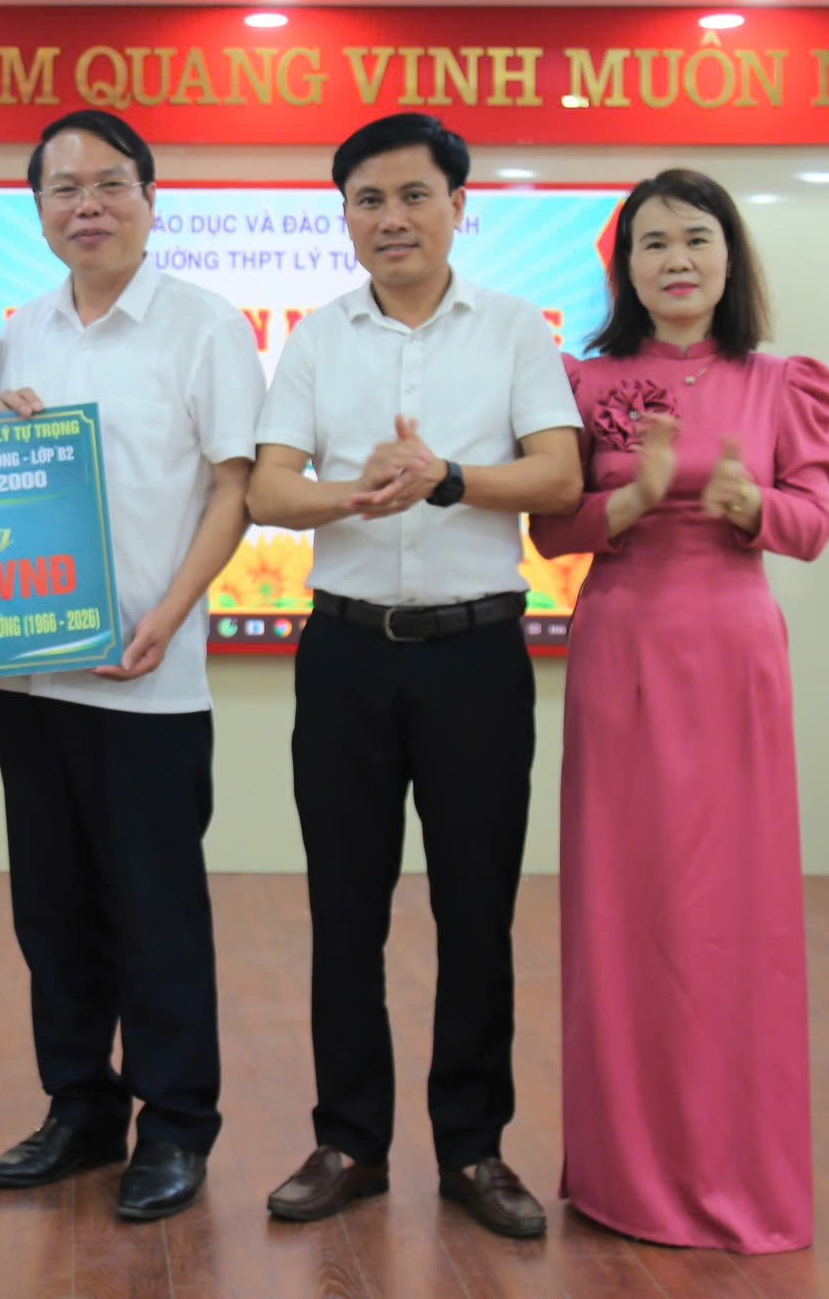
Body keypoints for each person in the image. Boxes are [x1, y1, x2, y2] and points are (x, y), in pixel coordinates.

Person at [249, 112, 582, 1234]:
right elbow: (268, 488)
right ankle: (348, 1141)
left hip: (476, 658)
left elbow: (557, 475)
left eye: (412, 196)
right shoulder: (316, 337)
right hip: (344, 654)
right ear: (344, 217)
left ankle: (474, 1149)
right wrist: (357, 494)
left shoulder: (514, 330)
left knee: (475, 909)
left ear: (457, 207)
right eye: (368, 200)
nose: (391, 218)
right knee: (344, 910)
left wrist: (444, 479)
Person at [526, 169, 829, 1254]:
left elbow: (814, 521)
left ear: (729, 256)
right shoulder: (582, 379)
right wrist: (635, 498)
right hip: (622, 649)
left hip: (733, 655)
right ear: (624, 266)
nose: (675, 260)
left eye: (696, 239)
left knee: (732, 911)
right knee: (624, 905)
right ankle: (623, 1171)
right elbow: (550, 532)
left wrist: (759, 509)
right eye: (652, 242)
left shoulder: (782, 381)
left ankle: (734, 1164)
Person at [0, 111, 261, 1222]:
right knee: (51, 909)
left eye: (109, 183)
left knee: (155, 911)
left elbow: (235, 488)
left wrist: (171, 614)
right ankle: (80, 1107)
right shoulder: (18, 331)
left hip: (150, 676)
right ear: (38, 209)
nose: (86, 204)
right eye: (63, 188)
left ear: (151, 196)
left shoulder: (204, 325)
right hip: (29, 677)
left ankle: (177, 1124)